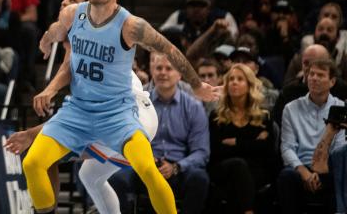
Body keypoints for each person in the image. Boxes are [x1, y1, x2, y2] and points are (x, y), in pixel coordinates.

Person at [22, 0, 220, 214]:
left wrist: (196, 84)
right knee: (33, 162)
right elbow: (57, 29)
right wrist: (47, 40)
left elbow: (169, 49)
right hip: (78, 111)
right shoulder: (74, 13)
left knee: (147, 169)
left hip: (117, 112)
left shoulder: (131, 26)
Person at [5, 0, 159, 214]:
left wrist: (48, 93)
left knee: (45, 152)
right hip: (126, 114)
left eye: (74, 0)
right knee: (89, 175)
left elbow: (68, 71)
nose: (66, 3)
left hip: (132, 115)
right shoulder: (77, 38)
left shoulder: (89, 34)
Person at [111, 52, 211, 214]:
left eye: (168, 69)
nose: (163, 72)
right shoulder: (135, 101)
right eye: (159, 68)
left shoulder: (194, 106)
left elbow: (201, 152)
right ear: (152, 71)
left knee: (199, 178)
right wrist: (146, 161)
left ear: (179, 75)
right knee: (117, 178)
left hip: (178, 168)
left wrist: (177, 167)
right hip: (144, 164)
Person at [278, 57, 344, 213]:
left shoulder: (341, 107)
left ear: (332, 82)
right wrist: (305, 173)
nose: (314, 78)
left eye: (320, 75)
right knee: (286, 176)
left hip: (330, 168)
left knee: (341, 172)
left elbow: (340, 148)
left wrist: (321, 170)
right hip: (300, 168)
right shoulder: (291, 108)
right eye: (311, 74)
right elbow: (287, 147)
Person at [207, 63, 275, 213]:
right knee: (238, 166)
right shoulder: (217, 116)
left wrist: (236, 142)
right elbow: (216, 151)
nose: (234, 82)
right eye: (231, 79)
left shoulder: (263, 116)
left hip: (254, 170)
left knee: (241, 177)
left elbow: (267, 151)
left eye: (240, 79)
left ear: (249, 85)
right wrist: (253, 144)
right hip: (222, 168)